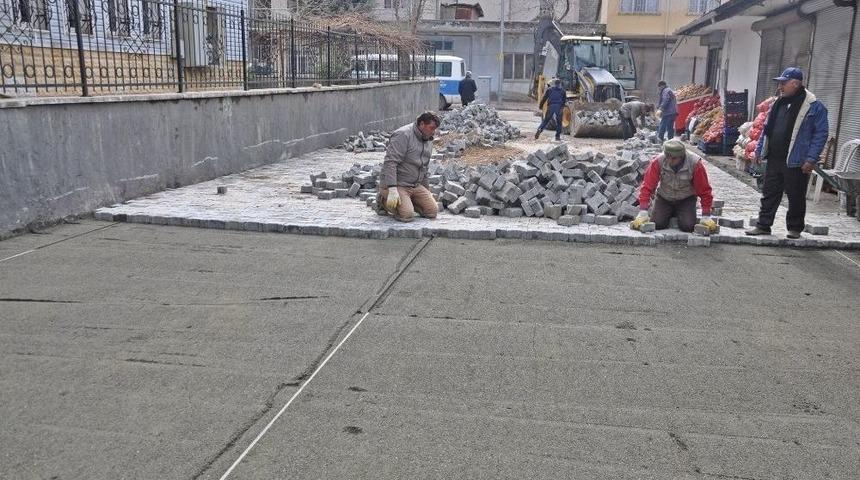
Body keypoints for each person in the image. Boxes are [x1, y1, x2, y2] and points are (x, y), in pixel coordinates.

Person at [746, 68, 829, 239]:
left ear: (795, 84)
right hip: (775, 157)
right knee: (769, 193)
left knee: (795, 195)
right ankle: (763, 225)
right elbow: (766, 130)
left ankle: (795, 228)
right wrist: (759, 150)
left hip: (796, 160)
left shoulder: (814, 106)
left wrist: (811, 159)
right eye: (779, 83)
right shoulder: (778, 103)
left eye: (783, 83)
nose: (780, 87)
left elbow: (821, 134)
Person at [632, 140, 716, 233]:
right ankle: (671, 211)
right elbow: (647, 185)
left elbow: (704, 189)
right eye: (667, 157)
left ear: (682, 156)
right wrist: (643, 210)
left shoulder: (695, 163)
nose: (670, 160)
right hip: (664, 197)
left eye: (674, 158)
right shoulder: (658, 161)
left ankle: (678, 212)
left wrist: (706, 214)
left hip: (686, 199)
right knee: (658, 224)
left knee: (687, 226)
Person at [377, 112, 440, 222]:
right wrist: (392, 188)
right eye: (431, 128)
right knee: (407, 214)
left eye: (435, 129)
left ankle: (407, 202)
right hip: (398, 184)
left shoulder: (427, 139)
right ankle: (382, 200)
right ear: (422, 124)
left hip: (415, 185)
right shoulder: (403, 135)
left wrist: (427, 190)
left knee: (432, 211)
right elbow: (390, 162)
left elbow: (424, 167)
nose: (433, 132)